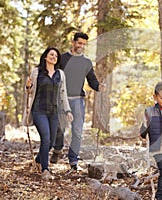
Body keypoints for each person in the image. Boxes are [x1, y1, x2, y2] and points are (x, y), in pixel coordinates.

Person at [50, 32, 106, 173]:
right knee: (60, 128)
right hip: (62, 99)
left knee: (77, 132)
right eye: (79, 43)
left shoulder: (86, 62)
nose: (81, 46)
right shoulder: (62, 58)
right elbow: (53, 76)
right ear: (73, 42)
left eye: (83, 44)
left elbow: (91, 80)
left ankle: (73, 160)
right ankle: (57, 149)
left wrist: (99, 87)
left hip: (78, 101)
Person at [22, 47, 73, 180]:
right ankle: (45, 170)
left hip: (54, 112)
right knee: (45, 137)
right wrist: (28, 86)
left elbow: (63, 93)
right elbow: (29, 91)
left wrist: (67, 110)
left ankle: (39, 160)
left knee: (50, 142)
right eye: (51, 54)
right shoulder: (37, 72)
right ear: (45, 57)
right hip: (39, 110)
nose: (54, 57)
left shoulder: (60, 74)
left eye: (56, 56)